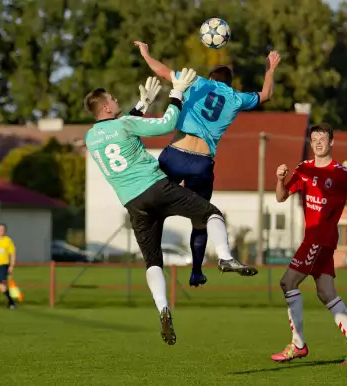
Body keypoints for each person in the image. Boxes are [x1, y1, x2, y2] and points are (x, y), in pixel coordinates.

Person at [84, 68, 257, 345]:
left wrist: (141, 105)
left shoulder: (90, 138)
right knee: (211, 213)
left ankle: (163, 308)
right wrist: (175, 93)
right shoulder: (125, 124)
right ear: (106, 107)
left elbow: (119, 128)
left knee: (153, 262)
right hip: (156, 188)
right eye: (113, 98)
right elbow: (165, 124)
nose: (116, 100)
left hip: (132, 202)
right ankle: (225, 256)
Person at [134, 40, 280, 287]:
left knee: (154, 205)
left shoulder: (197, 82)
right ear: (229, 83)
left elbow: (160, 70)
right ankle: (197, 271)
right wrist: (270, 68)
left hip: (175, 154)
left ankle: (153, 260)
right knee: (201, 217)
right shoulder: (235, 98)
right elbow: (266, 95)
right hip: (201, 162)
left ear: (211, 77)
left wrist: (146, 53)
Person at [271, 123, 347, 365]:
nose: (318, 142)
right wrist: (279, 179)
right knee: (326, 292)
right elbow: (281, 196)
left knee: (288, 282)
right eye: (314, 138)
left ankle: (297, 345)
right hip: (316, 239)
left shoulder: (341, 173)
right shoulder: (304, 169)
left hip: (320, 238)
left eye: (322, 138)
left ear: (331, 142)